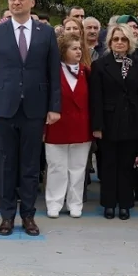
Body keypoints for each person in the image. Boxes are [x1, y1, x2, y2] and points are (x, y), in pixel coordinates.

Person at [0, 0, 60, 236]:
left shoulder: (46, 33)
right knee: (5, 165)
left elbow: (53, 73)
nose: (17, 3)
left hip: (34, 109)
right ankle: (6, 217)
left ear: (32, 2)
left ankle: (28, 216)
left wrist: (53, 107)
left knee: (29, 167)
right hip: (4, 109)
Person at [89, 23, 138, 220]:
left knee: (127, 164)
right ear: (110, 42)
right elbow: (95, 97)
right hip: (108, 121)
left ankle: (125, 203)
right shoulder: (100, 65)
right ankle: (108, 203)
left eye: (123, 39)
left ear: (130, 42)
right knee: (108, 164)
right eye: (116, 39)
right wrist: (96, 126)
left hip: (132, 120)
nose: (120, 43)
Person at [44, 33, 92, 219]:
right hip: (57, 126)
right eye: (74, 48)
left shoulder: (86, 72)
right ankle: (54, 202)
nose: (78, 51)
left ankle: (75, 203)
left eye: (80, 48)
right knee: (57, 167)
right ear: (63, 51)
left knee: (78, 168)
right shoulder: (52, 71)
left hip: (81, 126)